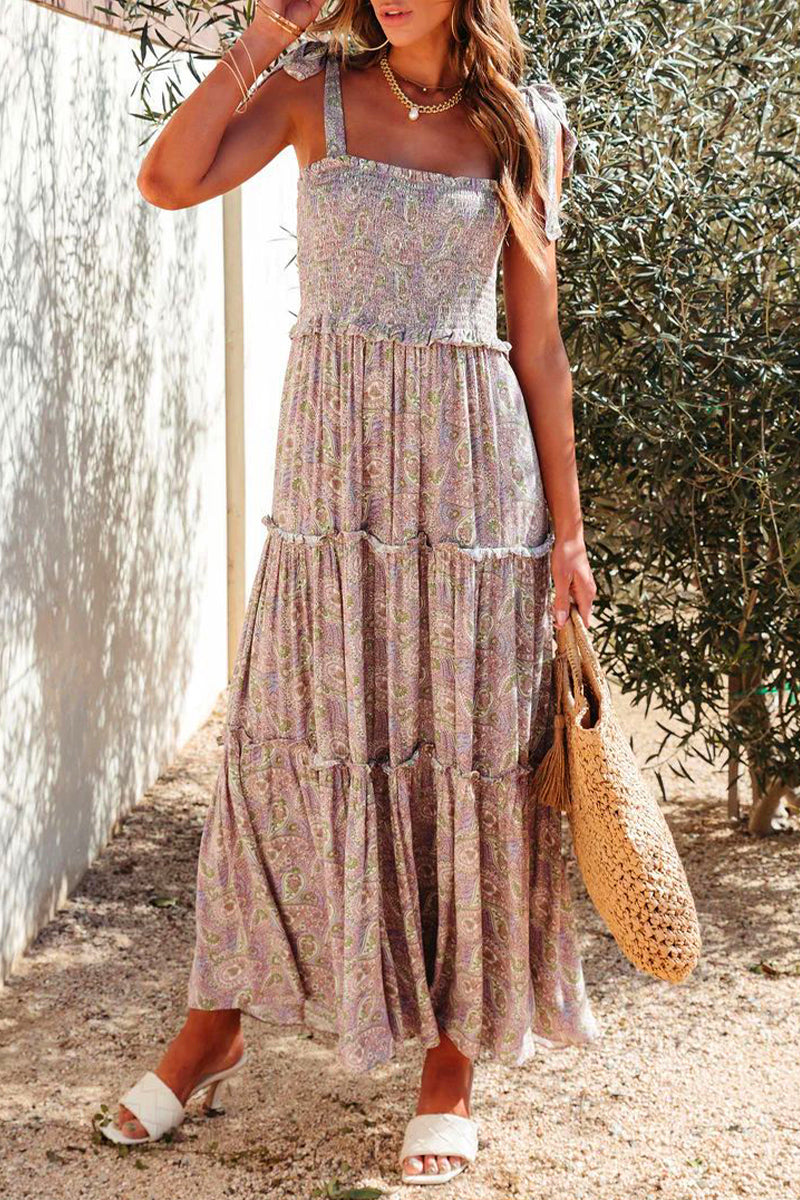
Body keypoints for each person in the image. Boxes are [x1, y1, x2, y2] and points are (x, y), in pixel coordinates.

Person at [98, 0, 599, 1185]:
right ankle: (214, 1025)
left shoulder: (523, 125)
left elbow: (536, 344)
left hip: (473, 488)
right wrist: (263, 34)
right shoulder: (308, 91)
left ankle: (449, 1062)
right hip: (332, 484)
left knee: (466, 759)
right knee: (283, 746)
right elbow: (166, 182)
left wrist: (568, 535)